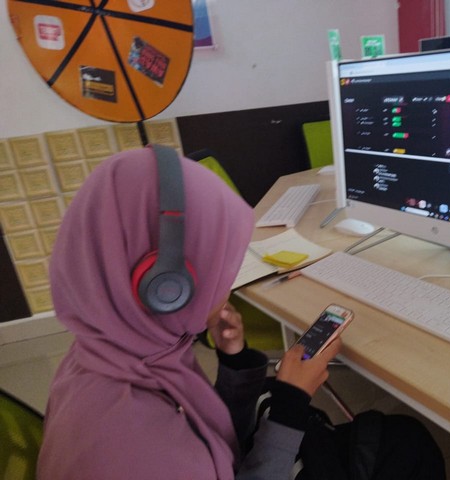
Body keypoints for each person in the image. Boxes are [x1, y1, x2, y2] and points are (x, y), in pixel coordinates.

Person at [36, 146, 340, 479]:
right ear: (166, 290)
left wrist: (236, 363)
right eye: (223, 272)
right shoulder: (138, 454)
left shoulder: (115, 353)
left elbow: (213, 440)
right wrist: (290, 406)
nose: (226, 288)